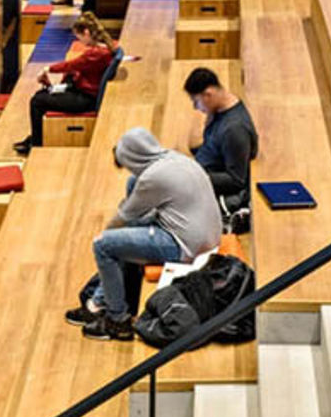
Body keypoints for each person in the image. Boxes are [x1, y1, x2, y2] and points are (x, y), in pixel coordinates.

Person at [67, 127, 221, 341]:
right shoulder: (174, 158)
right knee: (132, 189)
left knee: (103, 245)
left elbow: (122, 218)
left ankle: (116, 320)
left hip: (185, 244)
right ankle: (99, 301)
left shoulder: (152, 178)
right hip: (202, 231)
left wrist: (108, 236)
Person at [14, 13, 116, 156]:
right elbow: (81, 67)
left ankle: (36, 144)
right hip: (84, 90)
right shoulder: (106, 46)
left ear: (86, 32)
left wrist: (48, 69)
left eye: (79, 37)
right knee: (42, 94)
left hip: (86, 99)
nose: (78, 41)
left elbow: (73, 64)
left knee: (37, 102)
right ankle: (36, 136)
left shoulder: (96, 53)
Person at [183, 68, 259, 231]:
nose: (196, 107)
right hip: (200, 171)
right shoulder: (219, 110)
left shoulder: (234, 129)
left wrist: (196, 177)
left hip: (207, 183)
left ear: (208, 95)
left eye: (196, 101)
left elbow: (236, 179)